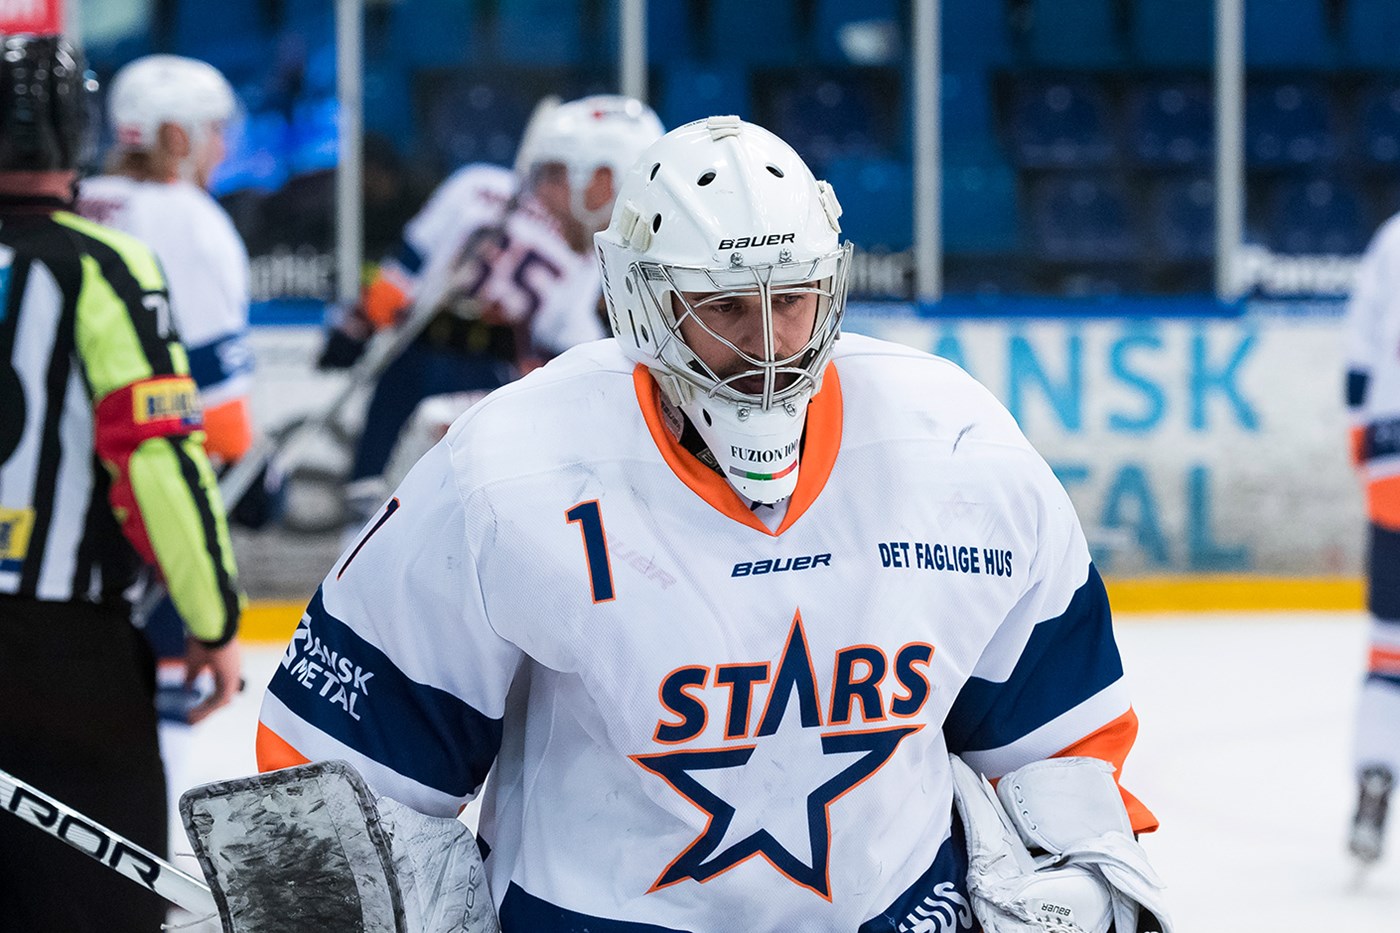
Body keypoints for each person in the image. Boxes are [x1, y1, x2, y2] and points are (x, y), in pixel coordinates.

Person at [255, 118, 1166, 930]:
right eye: (726, 305)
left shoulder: (956, 446)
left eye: (791, 298)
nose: (767, 346)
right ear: (645, 305)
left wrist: (1081, 872)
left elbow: (1060, 743)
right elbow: (343, 772)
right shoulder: (507, 470)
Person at [0, 35, 243, 932]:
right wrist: (212, 616)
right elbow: (158, 459)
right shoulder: (105, 266)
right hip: (63, 657)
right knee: (92, 907)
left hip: (58, 647)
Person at [319, 94, 664, 534]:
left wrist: (356, 327)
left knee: (399, 509)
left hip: (443, 374)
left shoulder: (478, 188)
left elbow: (400, 275)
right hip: (453, 376)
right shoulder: (580, 257)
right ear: (589, 173)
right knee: (398, 507)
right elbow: (572, 356)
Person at [76, 53, 264, 848]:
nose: (223, 147)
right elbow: (222, 424)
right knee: (165, 672)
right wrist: (261, 476)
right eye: (213, 131)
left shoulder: (83, 198)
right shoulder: (188, 219)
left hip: (57, 491)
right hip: (146, 482)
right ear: (176, 137)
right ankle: (142, 851)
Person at [1343, 209, 1400, 865]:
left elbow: (1360, 352)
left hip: (1392, 448)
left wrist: (1363, 432)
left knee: (1391, 646)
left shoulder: (1391, 237)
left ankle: (1375, 784)